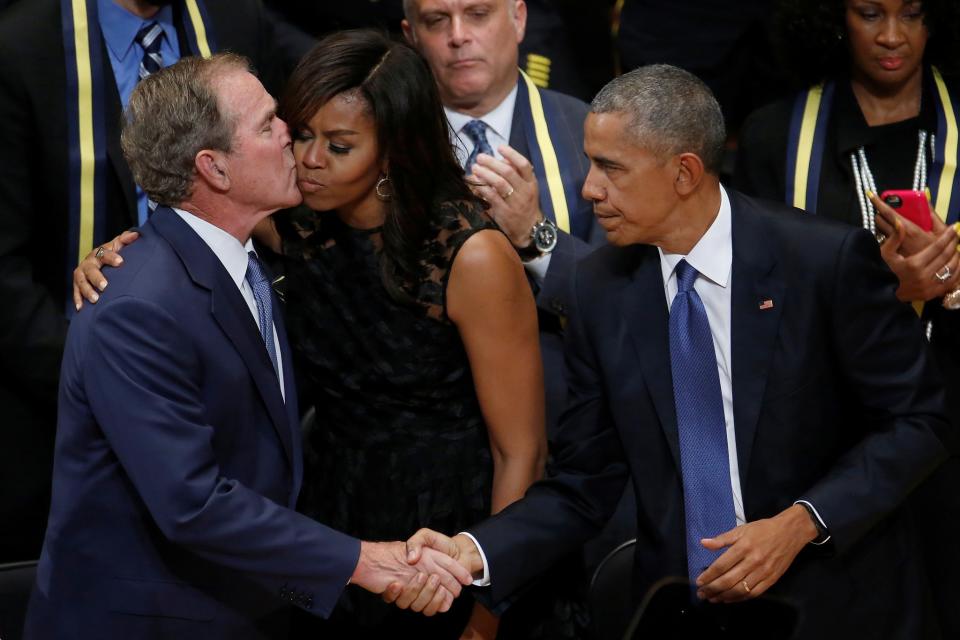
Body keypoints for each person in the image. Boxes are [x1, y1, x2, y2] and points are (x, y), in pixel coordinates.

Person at [405, 64, 952, 638]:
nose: (589, 189)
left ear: (684, 173)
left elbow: (920, 422)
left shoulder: (821, 262)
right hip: (684, 614)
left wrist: (801, 522)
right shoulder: (601, 289)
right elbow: (582, 484)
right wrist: (473, 550)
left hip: (837, 605)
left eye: (610, 168)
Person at [73, 30, 546, 639]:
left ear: (392, 153)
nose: (310, 158)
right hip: (325, 518)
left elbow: (522, 452)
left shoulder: (470, 257)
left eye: (339, 145)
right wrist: (110, 254)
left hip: (444, 532)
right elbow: (194, 229)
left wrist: (487, 612)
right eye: (298, 134)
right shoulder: (293, 221)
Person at [0, 0, 285, 565]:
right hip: (54, 399)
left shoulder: (235, 21)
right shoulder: (19, 46)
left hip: (224, 407)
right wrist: (101, 374)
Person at [734, 1, 960, 634]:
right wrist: (886, 292)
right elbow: (751, 292)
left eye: (914, 13)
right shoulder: (774, 135)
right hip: (827, 435)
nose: (892, 36)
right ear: (833, 18)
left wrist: (954, 286)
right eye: (870, 13)